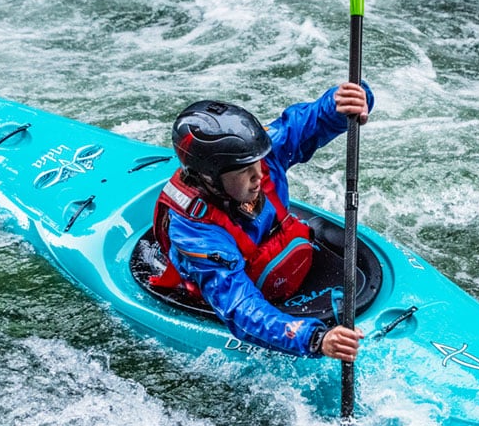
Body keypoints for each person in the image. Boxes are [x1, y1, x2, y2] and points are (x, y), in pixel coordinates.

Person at [150, 82, 372, 361]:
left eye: (258, 163)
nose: (260, 175)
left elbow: (306, 123)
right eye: (245, 172)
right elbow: (240, 307)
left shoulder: (258, 156)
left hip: (271, 255)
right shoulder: (195, 232)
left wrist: (344, 103)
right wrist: (316, 339)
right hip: (227, 288)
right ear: (209, 177)